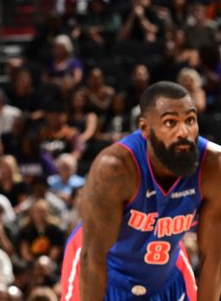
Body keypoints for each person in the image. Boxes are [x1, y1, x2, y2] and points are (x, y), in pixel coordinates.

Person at [60, 81, 221, 300]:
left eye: (190, 120)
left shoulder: (213, 166)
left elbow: (214, 256)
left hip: (165, 274)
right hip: (104, 273)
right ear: (145, 129)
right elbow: (93, 259)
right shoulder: (114, 169)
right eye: (170, 122)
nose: (183, 132)